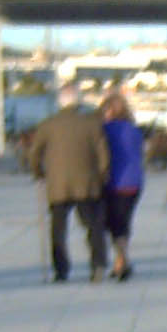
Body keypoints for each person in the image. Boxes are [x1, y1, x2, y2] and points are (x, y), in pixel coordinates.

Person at [23, 84, 110, 282]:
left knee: (58, 229)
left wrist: (39, 173)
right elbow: (103, 153)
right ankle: (98, 264)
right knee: (93, 226)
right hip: (87, 183)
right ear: (78, 101)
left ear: (59, 102)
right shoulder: (92, 124)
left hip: (58, 185)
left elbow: (34, 153)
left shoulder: (48, 125)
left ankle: (61, 269)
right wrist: (103, 174)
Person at [98, 90, 144, 281]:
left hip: (115, 182)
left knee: (114, 224)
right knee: (124, 221)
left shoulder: (105, 129)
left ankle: (121, 260)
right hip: (135, 182)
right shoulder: (133, 129)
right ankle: (121, 261)